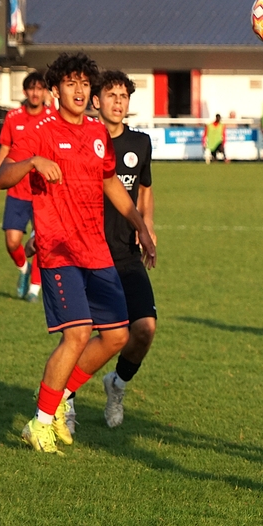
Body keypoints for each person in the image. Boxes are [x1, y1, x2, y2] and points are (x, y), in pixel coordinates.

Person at [0, 52, 156, 455]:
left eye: (85, 83)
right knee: (79, 334)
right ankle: (40, 422)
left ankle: (61, 393)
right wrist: (33, 161)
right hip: (59, 249)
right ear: (56, 90)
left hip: (95, 250)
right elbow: (3, 175)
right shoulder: (41, 130)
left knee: (117, 335)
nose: (80, 90)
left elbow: (110, 182)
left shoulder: (98, 133)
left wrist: (140, 225)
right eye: (71, 83)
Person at [91, 70, 159, 430]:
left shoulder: (140, 143)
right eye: (111, 95)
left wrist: (147, 225)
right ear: (96, 101)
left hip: (126, 254)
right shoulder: (86, 140)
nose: (118, 102)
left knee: (144, 329)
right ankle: (64, 401)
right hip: (88, 253)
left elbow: (144, 188)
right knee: (83, 336)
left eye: (124, 96)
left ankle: (116, 384)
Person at [0, 71, 50, 301]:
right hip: (17, 190)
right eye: (32, 88)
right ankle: (24, 269)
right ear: (25, 91)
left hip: (42, 192)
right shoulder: (14, 117)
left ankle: (34, 288)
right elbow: (5, 149)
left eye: (40, 88)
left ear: (45, 92)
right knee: (12, 241)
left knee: (42, 241)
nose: (35, 93)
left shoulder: (52, 118)